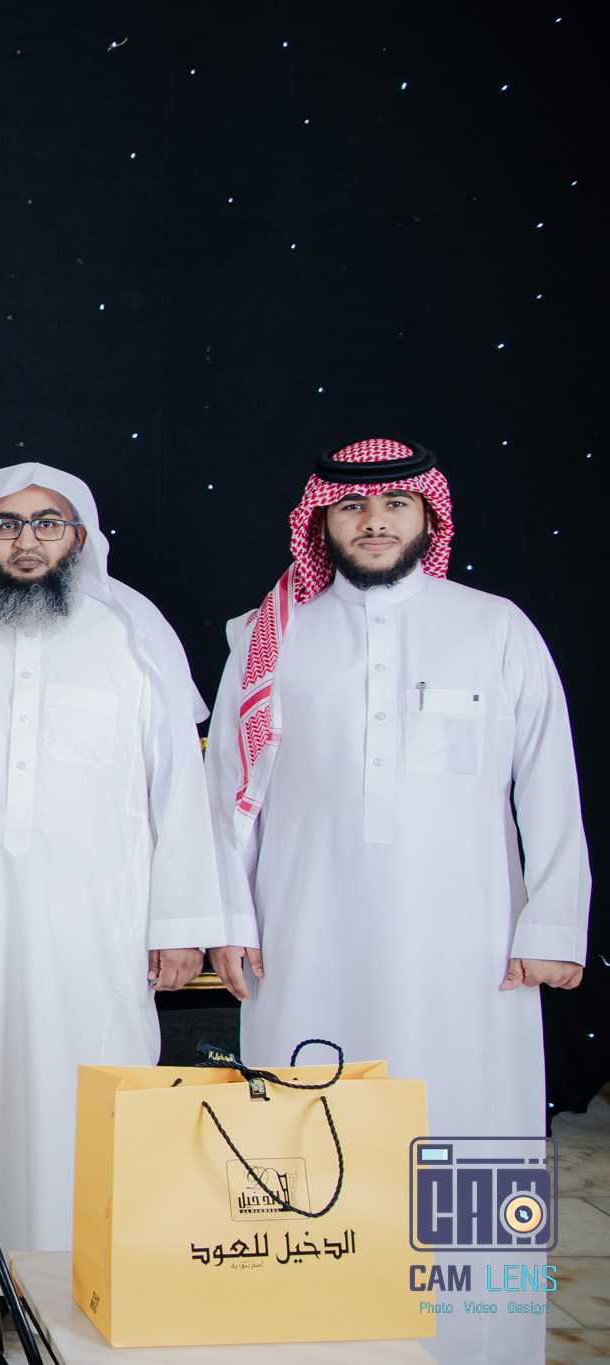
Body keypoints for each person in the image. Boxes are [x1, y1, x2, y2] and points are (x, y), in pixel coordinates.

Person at [205, 439, 588, 1364]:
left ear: (429, 517)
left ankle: (478, 1343)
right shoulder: (271, 636)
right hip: (305, 943)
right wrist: (227, 920)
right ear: (322, 522)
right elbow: (225, 799)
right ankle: (309, 1341)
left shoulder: (495, 628)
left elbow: (549, 782)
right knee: (310, 1139)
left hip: (469, 949)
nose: (373, 522)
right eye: (352, 507)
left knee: (470, 1137)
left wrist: (552, 920)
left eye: (394, 505)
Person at [0, 464, 222, 1252]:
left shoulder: (134, 640)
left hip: (98, 930)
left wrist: (180, 924)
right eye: (6, 523)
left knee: (90, 1091)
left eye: (48, 522)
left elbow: (182, 789)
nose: (27, 540)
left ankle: (87, 1277)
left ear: (80, 537)